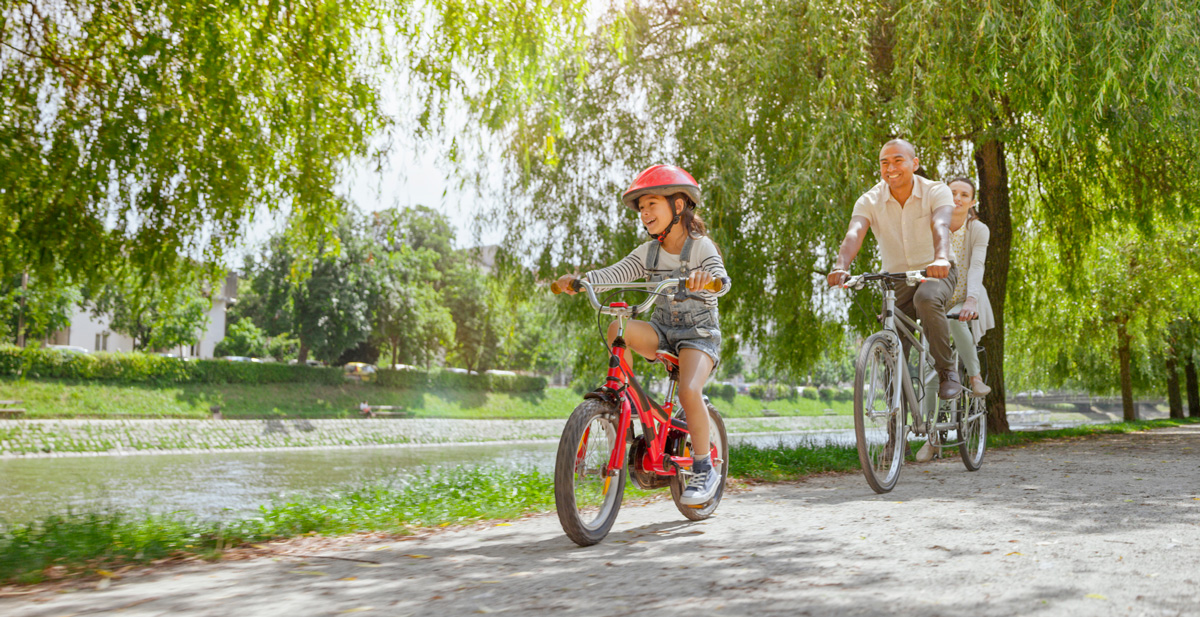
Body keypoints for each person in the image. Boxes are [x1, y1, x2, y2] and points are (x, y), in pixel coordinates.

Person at [554, 164, 731, 506]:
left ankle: (703, 467)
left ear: (678, 206)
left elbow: (721, 279)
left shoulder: (700, 247)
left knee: (689, 389)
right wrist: (581, 281)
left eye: (652, 204)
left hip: (698, 335)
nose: (644, 213)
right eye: (641, 208)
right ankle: (623, 400)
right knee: (617, 326)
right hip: (663, 330)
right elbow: (616, 272)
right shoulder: (647, 252)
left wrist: (707, 280)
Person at [827, 139, 963, 399]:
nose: (891, 168)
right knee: (891, 341)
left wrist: (941, 258)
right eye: (884, 163)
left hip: (936, 272)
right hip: (896, 278)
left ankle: (947, 371)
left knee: (926, 299)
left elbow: (941, 225)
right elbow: (854, 233)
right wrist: (840, 266)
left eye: (898, 160)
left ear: (914, 163)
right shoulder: (870, 199)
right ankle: (895, 430)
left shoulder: (936, 191)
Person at [946, 177, 994, 397]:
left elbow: (976, 265)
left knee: (954, 321)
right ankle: (926, 425)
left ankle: (975, 377)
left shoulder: (978, 229)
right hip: (941, 298)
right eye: (953, 193)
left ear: (972, 202)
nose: (957, 198)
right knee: (928, 357)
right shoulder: (935, 227)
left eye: (964, 195)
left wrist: (972, 299)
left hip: (967, 297)